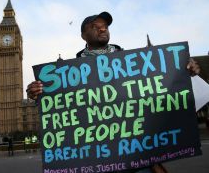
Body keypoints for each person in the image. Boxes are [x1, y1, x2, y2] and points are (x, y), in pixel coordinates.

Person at [26, 12, 200, 173]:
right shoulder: (67, 73)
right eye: (95, 26)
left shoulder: (134, 63)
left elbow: (162, 86)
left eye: (105, 26)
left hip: (138, 157)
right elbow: (60, 108)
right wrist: (37, 92)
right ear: (83, 36)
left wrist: (185, 69)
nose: (102, 28)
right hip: (98, 159)